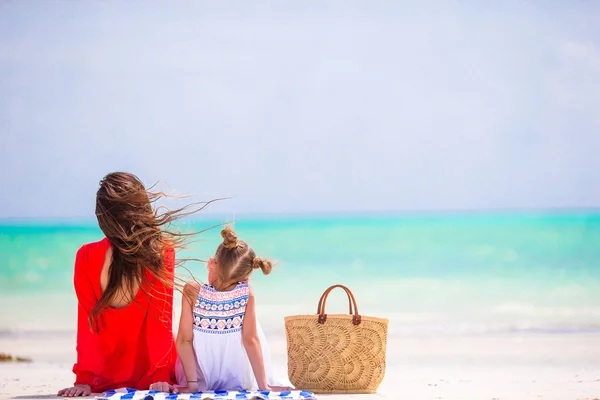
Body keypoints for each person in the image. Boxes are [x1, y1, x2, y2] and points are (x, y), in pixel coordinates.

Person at [58, 172, 196, 397]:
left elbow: (88, 327)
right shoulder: (161, 252)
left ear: (103, 218)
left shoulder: (85, 256)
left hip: (105, 377)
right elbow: (159, 320)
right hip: (150, 376)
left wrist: (84, 380)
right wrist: (159, 376)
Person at [152, 226, 291, 393]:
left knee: (184, 335)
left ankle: (194, 383)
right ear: (245, 277)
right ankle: (261, 382)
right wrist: (264, 386)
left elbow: (184, 340)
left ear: (212, 263)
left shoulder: (192, 291)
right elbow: (250, 340)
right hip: (239, 377)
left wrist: (192, 385)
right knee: (251, 330)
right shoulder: (246, 293)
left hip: (200, 377)